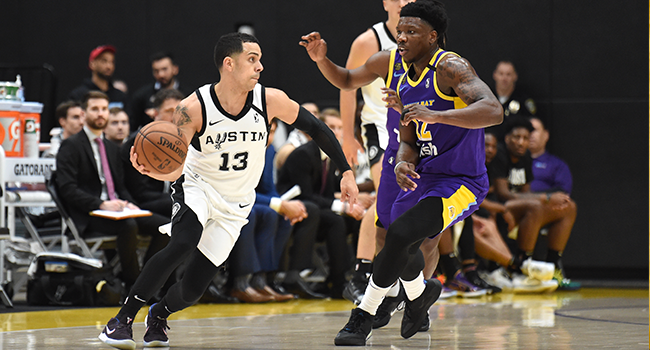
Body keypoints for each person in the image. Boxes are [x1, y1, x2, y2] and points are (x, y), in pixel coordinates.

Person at [98, 32, 358, 350]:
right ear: (229, 64)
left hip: (237, 202)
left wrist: (346, 170)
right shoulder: (192, 107)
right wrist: (155, 169)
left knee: (193, 288)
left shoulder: (270, 100)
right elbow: (176, 164)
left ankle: (159, 314)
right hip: (198, 187)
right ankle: (121, 321)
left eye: (260, 59)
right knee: (183, 242)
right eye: (252, 59)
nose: (260, 66)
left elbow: (317, 127)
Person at [301, 1, 503, 345]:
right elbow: (407, 137)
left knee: (404, 236)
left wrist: (439, 116)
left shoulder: (451, 67)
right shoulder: (396, 70)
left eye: (411, 32)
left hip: (460, 181)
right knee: (397, 236)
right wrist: (403, 160)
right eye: (400, 31)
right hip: (419, 170)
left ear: (433, 36)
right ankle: (419, 295)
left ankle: (363, 315)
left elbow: (493, 110)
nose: (403, 38)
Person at [338, 0, 415, 306]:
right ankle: (360, 275)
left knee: (408, 206)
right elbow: (346, 86)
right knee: (386, 196)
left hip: (413, 128)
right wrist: (346, 135)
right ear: (385, 2)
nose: (402, 2)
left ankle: (400, 282)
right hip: (378, 127)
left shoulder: (425, 37)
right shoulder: (368, 41)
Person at [55, 91, 170, 290]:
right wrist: (100, 203)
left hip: (117, 209)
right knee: (129, 226)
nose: (100, 114)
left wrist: (129, 203)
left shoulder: (111, 147)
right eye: (95, 109)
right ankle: (133, 285)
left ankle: (149, 281)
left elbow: (120, 186)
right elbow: (68, 189)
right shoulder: (70, 146)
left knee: (165, 228)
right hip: (89, 213)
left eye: (104, 109)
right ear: (84, 113)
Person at [276, 110, 367, 299]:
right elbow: (308, 195)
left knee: (347, 220)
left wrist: (349, 205)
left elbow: (326, 194)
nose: (335, 132)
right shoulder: (303, 155)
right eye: (330, 127)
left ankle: (346, 279)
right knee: (333, 218)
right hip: (290, 208)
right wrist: (342, 207)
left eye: (340, 128)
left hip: (315, 208)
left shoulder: (331, 158)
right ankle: (296, 275)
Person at [490, 118, 577, 291]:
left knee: (570, 208)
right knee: (535, 206)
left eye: (525, 138)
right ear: (507, 138)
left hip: (517, 205)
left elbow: (525, 193)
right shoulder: (499, 154)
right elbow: (503, 194)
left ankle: (552, 267)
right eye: (517, 137)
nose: (521, 142)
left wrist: (542, 200)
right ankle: (524, 267)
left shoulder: (526, 157)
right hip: (497, 206)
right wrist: (545, 198)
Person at [527, 116, 580, 289]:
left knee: (569, 206)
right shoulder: (514, 160)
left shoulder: (556, 164)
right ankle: (519, 266)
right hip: (514, 207)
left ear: (546, 135)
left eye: (534, 129)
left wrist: (539, 198)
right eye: (527, 130)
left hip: (543, 210)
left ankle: (553, 263)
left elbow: (563, 193)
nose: (530, 134)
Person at [121, 89, 185, 217]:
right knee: (180, 203)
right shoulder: (138, 142)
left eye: (179, 112)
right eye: (169, 111)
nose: (175, 117)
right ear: (155, 113)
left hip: (168, 198)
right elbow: (140, 191)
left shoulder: (183, 142)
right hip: (141, 202)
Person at [68, 45, 130, 114]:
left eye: (112, 62)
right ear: (92, 64)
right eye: (104, 61)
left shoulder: (120, 96)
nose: (109, 66)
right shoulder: (78, 95)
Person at [131, 52, 184, 131]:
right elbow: (133, 126)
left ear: (175, 69)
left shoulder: (189, 95)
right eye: (156, 71)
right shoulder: (141, 96)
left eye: (164, 69)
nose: (161, 74)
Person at [486, 60, 536, 141]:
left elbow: (531, 123)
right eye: (501, 74)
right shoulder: (487, 98)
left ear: (515, 76)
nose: (504, 78)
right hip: (491, 147)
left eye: (508, 74)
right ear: (495, 75)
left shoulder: (523, 101)